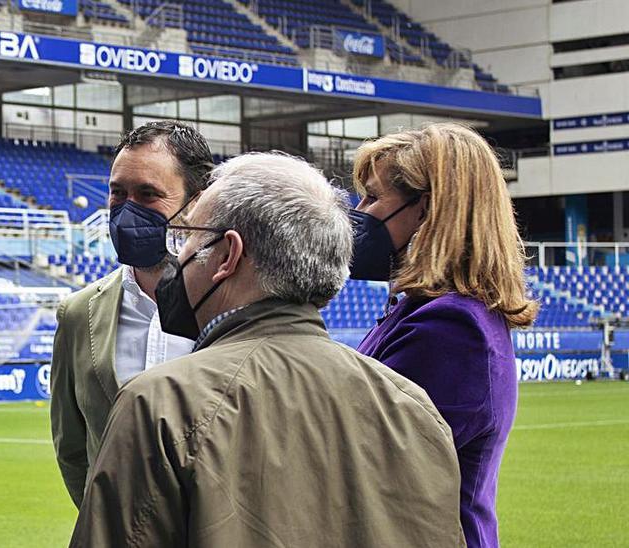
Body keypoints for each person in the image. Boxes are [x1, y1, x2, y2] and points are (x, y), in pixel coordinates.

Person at [71, 153, 466, 548]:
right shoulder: (414, 408)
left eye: (186, 237)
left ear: (228, 255)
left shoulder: (160, 404)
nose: (180, 256)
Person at [349, 123, 538, 548]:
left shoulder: (452, 328)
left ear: (428, 210)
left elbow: (365, 459)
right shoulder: (433, 311)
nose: (359, 211)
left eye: (374, 197)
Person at [50, 121, 214, 507]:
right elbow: (72, 451)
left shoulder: (230, 306)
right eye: (118, 193)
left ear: (197, 204)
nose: (127, 210)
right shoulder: (77, 314)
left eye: (147, 194)